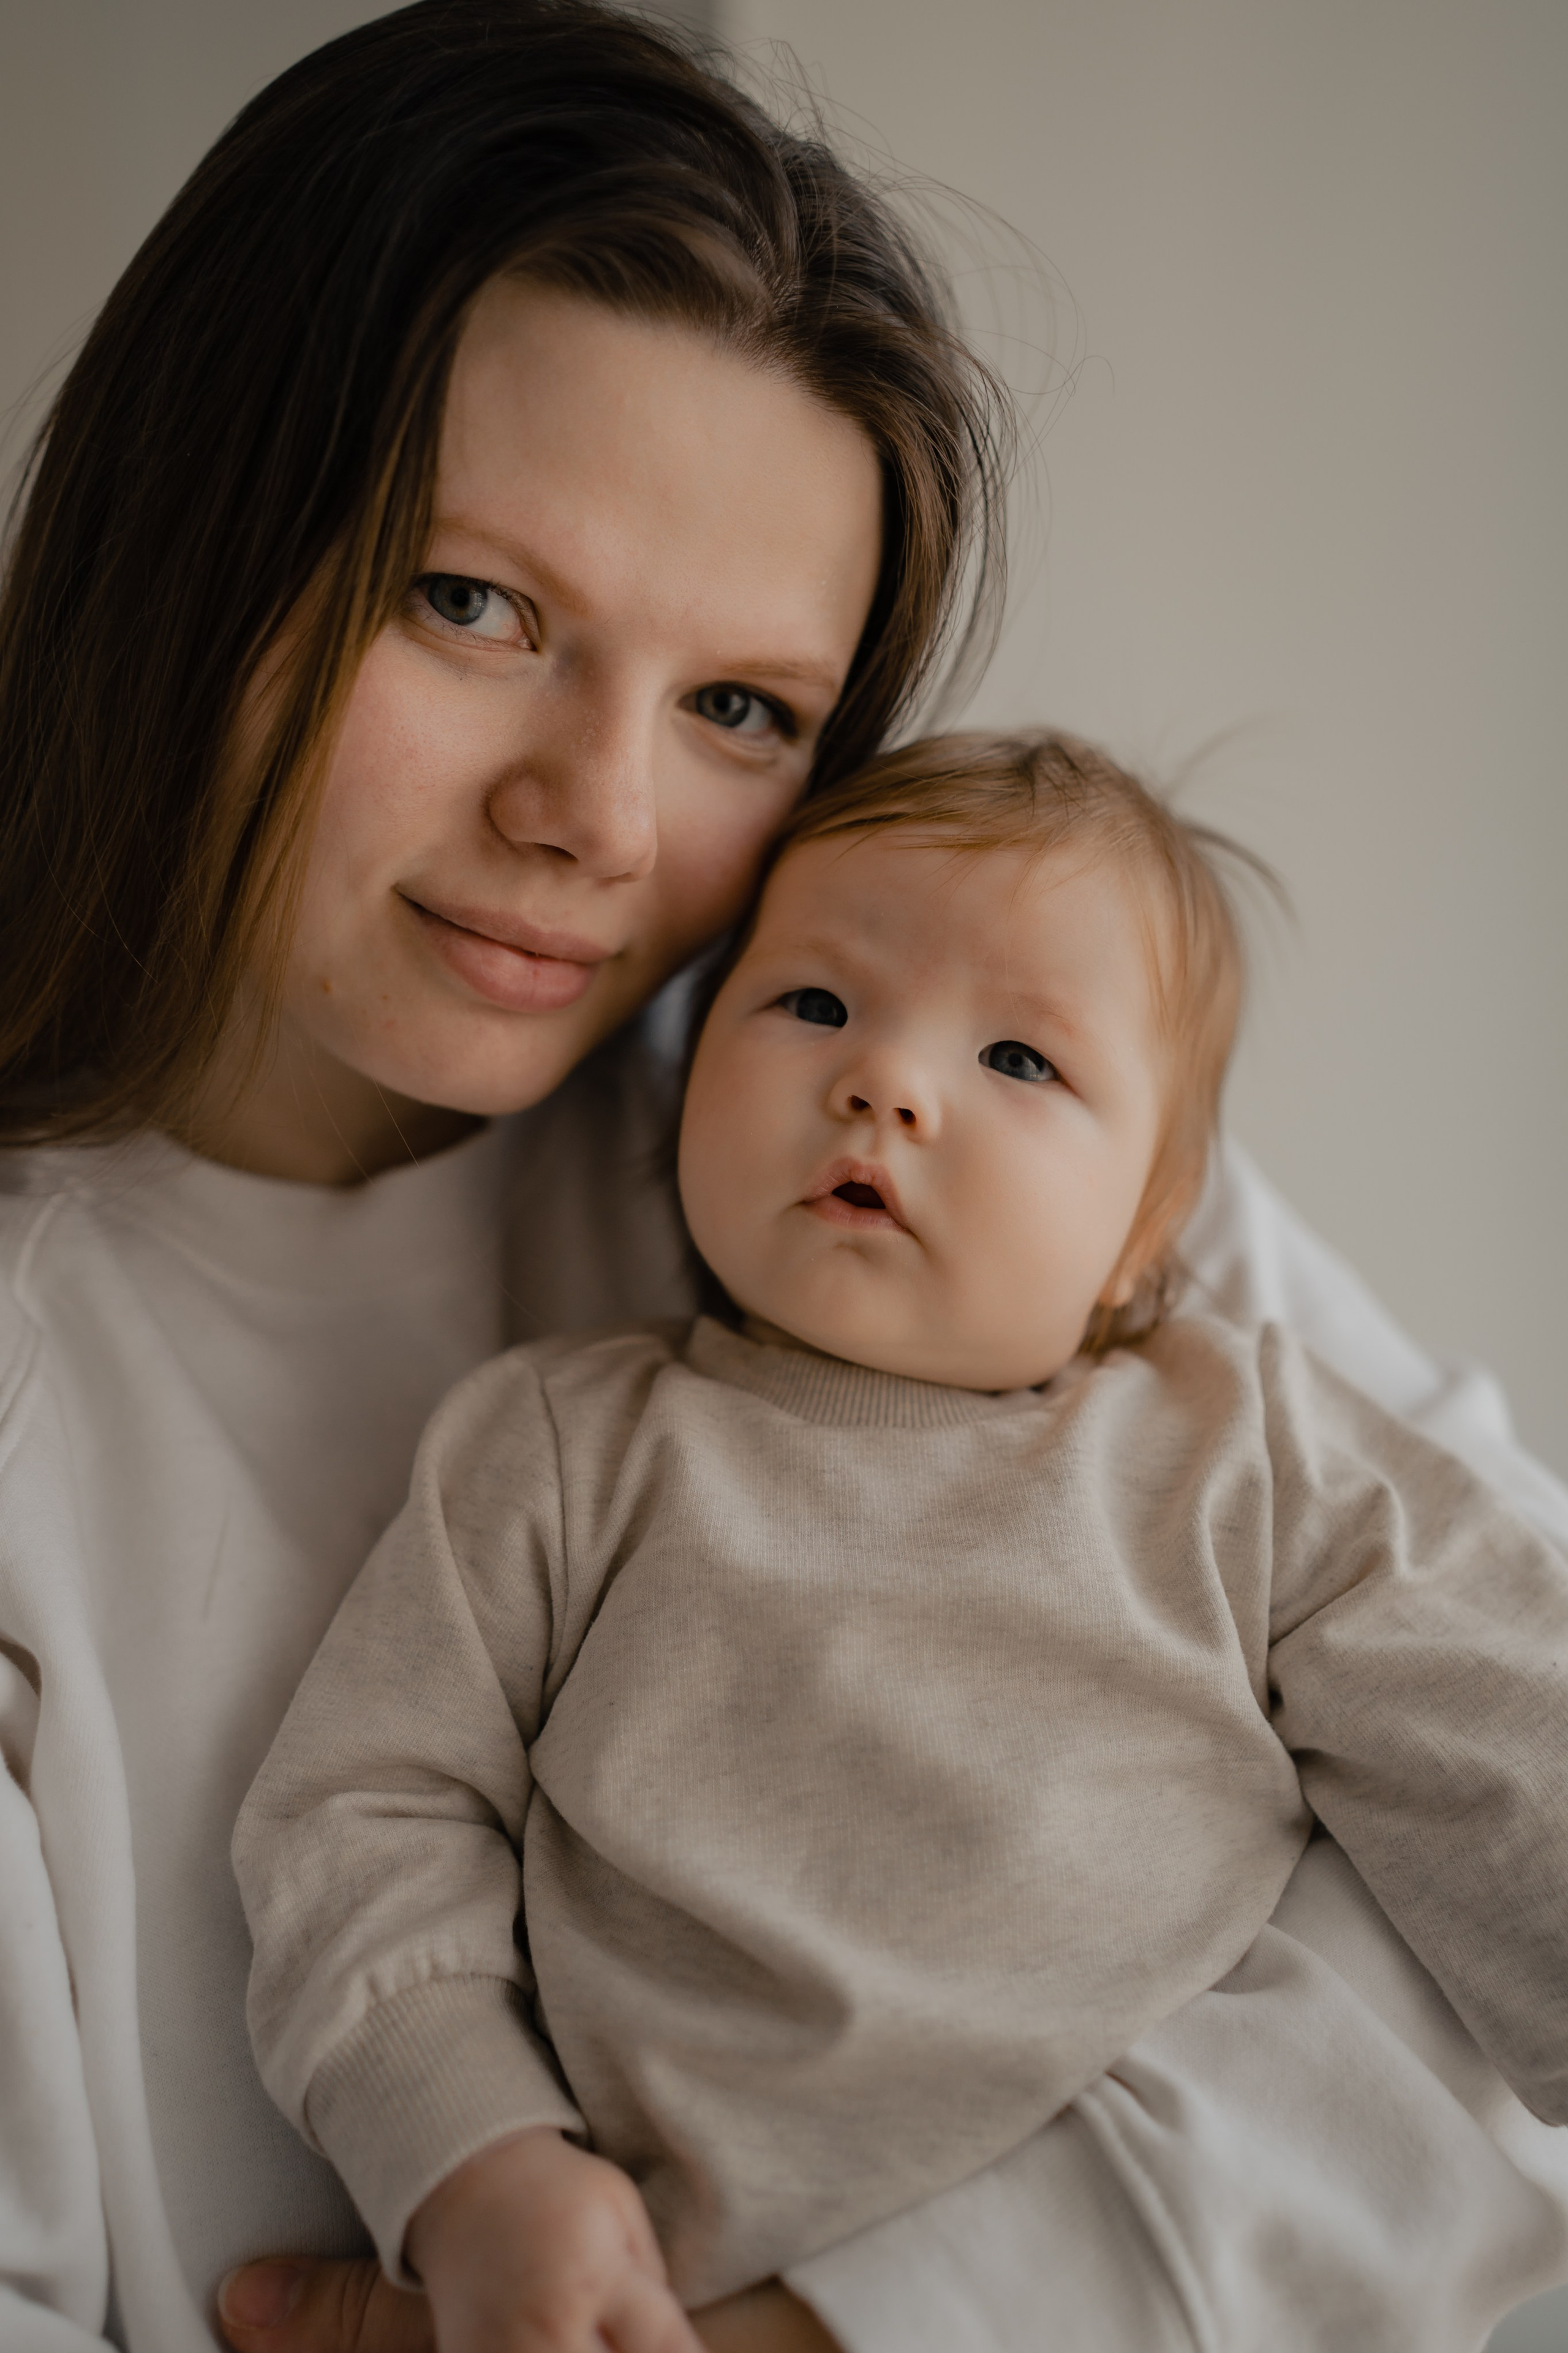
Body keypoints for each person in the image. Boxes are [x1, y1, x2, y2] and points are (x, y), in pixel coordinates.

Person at [0, 6, 1562, 2352]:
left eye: (741, 708)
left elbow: (1493, 1914)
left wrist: (845, 2329)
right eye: (473, 604)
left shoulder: (957, 1151)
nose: (601, 820)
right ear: (198, 541)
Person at [233, 733, 1568, 2353]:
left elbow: (1515, 1741)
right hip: (669, 2287)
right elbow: (364, 1815)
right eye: (810, 1004)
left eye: (1020, 1059)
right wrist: (475, 2157)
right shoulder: (562, 1450)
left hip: (1140, 2276)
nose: (890, 1081)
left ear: (1152, 1222)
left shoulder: (1246, 1449)